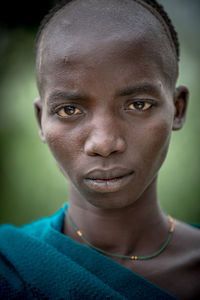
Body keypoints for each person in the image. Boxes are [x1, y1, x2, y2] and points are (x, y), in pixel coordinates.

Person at [0, 0, 199, 299]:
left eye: (138, 105)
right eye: (69, 110)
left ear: (178, 109)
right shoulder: (9, 269)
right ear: (40, 121)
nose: (104, 144)